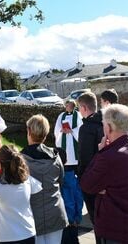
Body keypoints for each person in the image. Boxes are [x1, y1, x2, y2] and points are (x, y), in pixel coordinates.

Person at [80, 104, 128, 243]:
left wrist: (100, 152)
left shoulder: (109, 156)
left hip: (115, 230)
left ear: (108, 127)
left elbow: (86, 184)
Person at [21, 114, 68, 244]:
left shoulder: (20, 161)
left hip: (32, 216)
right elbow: (61, 181)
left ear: (29, 131)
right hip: (55, 213)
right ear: (46, 134)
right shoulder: (56, 157)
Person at [0, 145, 42, 244]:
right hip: (28, 233)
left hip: (6, 237)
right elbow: (39, 189)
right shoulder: (28, 180)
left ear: (0, 162)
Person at [54, 100, 83, 243]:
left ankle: (75, 217)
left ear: (74, 106)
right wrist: (62, 131)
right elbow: (56, 131)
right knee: (69, 189)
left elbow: (81, 131)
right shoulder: (61, 116)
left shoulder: (78, 116)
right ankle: (72, 218)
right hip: (66, 157)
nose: (67, 107)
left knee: (75, 190)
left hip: (76, 157)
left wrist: (72, 131)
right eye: (66, 105)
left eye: (69, 105)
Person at [77, 92, 103, 243]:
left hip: (92, 179)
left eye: (79, 108)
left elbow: (85, 158)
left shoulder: (86, 128)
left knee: (96, 221)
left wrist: (81, 179)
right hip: (106, 177)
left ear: (84, 107)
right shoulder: (104, 122)